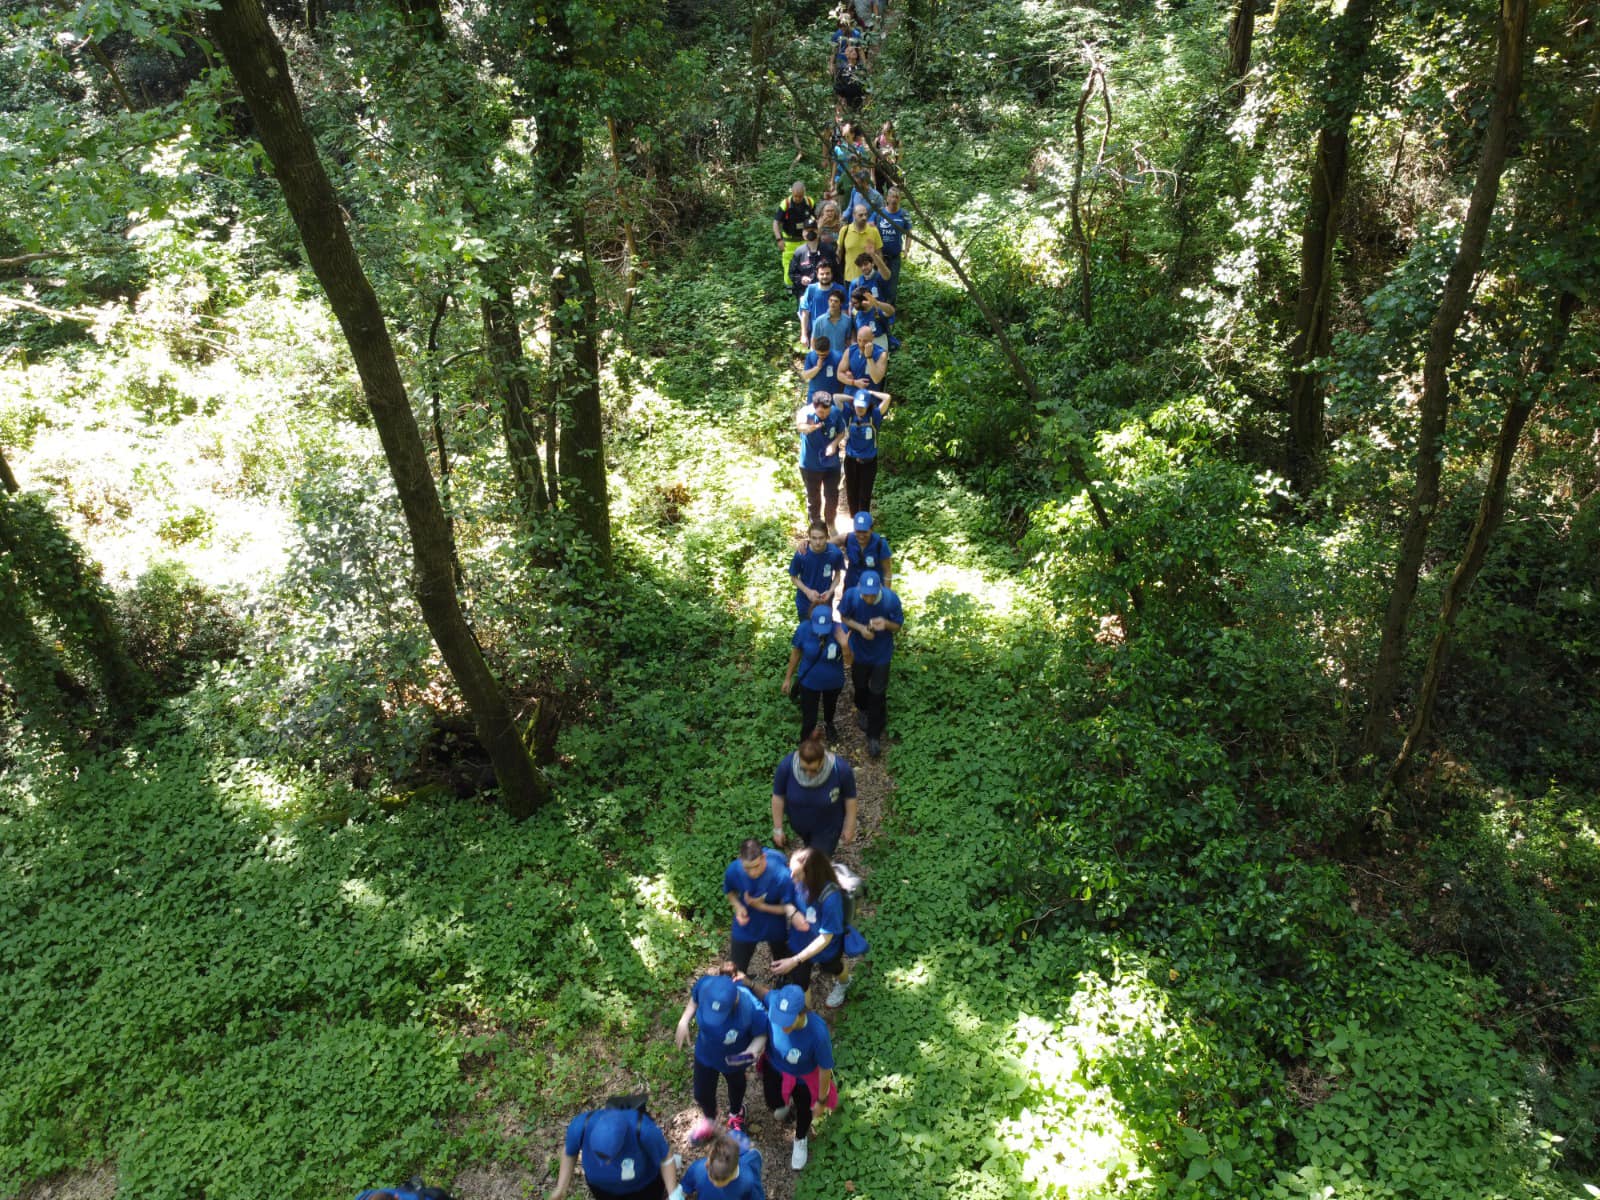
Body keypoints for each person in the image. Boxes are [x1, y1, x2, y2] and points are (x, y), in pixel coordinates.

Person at [675, 973, 770, 1146]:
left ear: (734, 1002)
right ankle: (710, 1119)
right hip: (705, 1053)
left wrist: (750, 1052)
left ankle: (736, 1114)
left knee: (736, 1086)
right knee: (701, 1094)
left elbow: (762, 1033)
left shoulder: (750, 1008)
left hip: (734, 1060)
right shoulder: (706, 985)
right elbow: (694, 1000)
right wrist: (684, 1020)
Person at [758, 983, 837, 1172]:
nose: (781, 1024)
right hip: (775, 1066)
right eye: (779, 1018)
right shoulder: (776, 1002)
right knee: (773, 1102)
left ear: (802, 1014)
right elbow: (765, 994)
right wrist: (749, 983)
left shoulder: (817, 1033)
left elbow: (825, 1069)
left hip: (803, 1078)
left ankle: (800, 1138)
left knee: (804, 1110)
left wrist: (821, 1099)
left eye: (787, 1021)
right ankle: (783, 1104)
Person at [772, 846, 854, 1006]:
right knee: (800, 982)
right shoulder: (797, 882)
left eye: (796, 874)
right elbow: (788, 900)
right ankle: (806, 1019)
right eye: (791, 871)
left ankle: (845, 982)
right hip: (799, 942)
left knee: (833, 967)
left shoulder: (831, 899)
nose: (791, 877)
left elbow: (826, 937)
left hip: (826, 948)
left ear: (811, 874)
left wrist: (795, 960)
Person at [551, 1102, 678, 1200]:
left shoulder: (644, 1130)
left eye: (608, 1158)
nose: (603, 1164)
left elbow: (665, 1157)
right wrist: (561, 1187)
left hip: (643, 1188)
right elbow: (569, 1152)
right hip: (601, 1189)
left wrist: (673, 1194)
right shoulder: (580, 1126)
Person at [839, 569, 903, 759]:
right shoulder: (852, 595)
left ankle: (874, 736)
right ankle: (862, 709)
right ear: (859, 588)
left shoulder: (890, 600)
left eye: (872, 594)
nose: (868, 598)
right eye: (865, 594)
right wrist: (860, 628)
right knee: (860, 686)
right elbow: (843, 617)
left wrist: (885, 624)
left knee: (877, 692)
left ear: (879, 589)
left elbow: (898, 625)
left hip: (881, 653)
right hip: (859, 651)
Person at [771, 725, 858, 856]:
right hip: (801, 825)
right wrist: (778, 828)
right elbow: (778, 796)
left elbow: (850, 797)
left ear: (823, 760)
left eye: (813, 770)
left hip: (828, 828)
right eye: (803, 769)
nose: (808, 774)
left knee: (816, 864)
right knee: (810, 850)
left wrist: (850, 825)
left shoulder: (840, 770)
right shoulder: (787, 766)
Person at [724, 838, 794, 975]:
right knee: (737, 966)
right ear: (740, 860)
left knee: (781, 959)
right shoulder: (734, 870)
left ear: (763, 857)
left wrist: (762, 907)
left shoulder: (781, 875)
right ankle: (742, 987)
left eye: (756, 866)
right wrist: (738, 907)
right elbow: (729, 892)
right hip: (747, 919)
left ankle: (783, 981)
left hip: (774, 919)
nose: (752, 873)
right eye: (747, 868)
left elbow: (790, 908)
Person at [783, 605, 852, 741]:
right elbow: (796, 654)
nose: (821, 632)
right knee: (809, 717)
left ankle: (829, 724)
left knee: (830, 706)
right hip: (809, 682)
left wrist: (844, 645)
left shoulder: (841, 630)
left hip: (833, 682)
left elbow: (849, 662)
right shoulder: (803, 629)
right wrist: (787, 678)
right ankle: (805, 742)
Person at [795, 386, 848, 527]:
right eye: (820, 412)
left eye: (826, 411)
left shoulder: (835, 413)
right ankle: (816, 527)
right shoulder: (806, 412)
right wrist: (809, 428)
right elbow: (799, 425)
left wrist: (834, 444)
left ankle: (830, 524)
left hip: (831, 464)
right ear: (814, 406)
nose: (824, 414)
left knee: (832, 496)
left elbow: (841, 432)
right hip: (810, 464)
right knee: (814, 498)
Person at [673, 1134, 766, 1200]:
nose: (712, 1182)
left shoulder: (748, 1181)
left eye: (718, 1181)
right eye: (710, 1176)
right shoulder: (698, 1169)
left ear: (732, 1173)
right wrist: (678, 1195)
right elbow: (685, 1186)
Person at [788, 518, 845, 621]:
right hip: (805, 602)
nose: (817, 542)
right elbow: (793, 577)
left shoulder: (835, 553)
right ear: (809, 538)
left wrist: (830, 591)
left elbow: (837, 575)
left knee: (824, 627)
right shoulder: (801, 554)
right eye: (814, 538)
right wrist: (807, 591)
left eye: (821, 538)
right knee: (807, 629)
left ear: (827, 537)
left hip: (825, 600)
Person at [787, 221, 836, 318]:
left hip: (827, 295)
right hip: (805, 295)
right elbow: (792, 273)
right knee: (807, 327)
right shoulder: (799, 252)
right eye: (807, 230)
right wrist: (801, 279)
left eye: (813, 230)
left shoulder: (828, 249)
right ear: (803, 233)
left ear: (818, 231)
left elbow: (836, 272)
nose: (810, 233)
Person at [802, 262, 850, 360]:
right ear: (817, 274)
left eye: (827, 273)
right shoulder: (811, 289)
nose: (825, 276)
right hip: (818, 334)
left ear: (832, 274)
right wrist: (803, 334)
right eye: (822, 274)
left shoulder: (840, 289)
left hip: (837, 334)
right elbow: (805, 313)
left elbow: (845, 312)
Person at [872, 186, 912, 304]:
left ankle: (890, 312)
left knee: (892, 286)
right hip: (880, 257)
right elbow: (870, 229)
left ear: (900, 199)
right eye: (892, 196)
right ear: (887, 198)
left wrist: (906, 250)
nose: (894, 199)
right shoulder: (879, 213)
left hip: (894, 257)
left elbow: (909, 234)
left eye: (897, 197)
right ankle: (877, 310)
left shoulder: (904, 214)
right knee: (877, 283)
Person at [771, 182, 815, 288]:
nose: (798, 199)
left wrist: (812, 231)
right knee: (788, 265)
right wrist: (779, 239)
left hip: (805, 240)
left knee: (807, 264)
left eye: (800, 196)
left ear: (804, 193)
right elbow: (775, 223)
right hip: (789, 242)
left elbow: (815, 217)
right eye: (795, 196)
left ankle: (807, 285)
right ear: (792, 193)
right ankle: (790, 288)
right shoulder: (785, 204)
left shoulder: (810, 202)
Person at [842, 508, 891, 592]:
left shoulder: (881, 544)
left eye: (864, 531)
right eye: (858, 531)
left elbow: (887, 571)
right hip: (851, 587)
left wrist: (886, 593)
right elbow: (826, 544)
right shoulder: (848, 538)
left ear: (871, 529)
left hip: (872, 589)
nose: (861, 535)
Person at [839, 203, 886, 285]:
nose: (864, 217)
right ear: (854, 215)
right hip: (850, 278)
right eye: (860, 215)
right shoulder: (844, 230)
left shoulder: (873, 230)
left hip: (869, 278)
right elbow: (839, 252)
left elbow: (879, 253)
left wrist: (879, 272)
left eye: (866, 215)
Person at [838, 322, 887, 390]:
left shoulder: (881, 354)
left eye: (865, 341)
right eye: (859, 340)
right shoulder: (850, 350)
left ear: (872, 338)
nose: (861, 344)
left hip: (870, 395)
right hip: (851, 393)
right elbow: (839, 374)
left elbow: (876, 379)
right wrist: (854, 382)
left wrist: (869, 357)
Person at [796, 334, 842, 403]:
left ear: (829, 349)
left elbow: (842, 377)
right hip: (814, 396)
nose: (821, 356)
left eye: (823, 355)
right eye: (818, 354)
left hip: (832, 396)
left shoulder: (838, 356)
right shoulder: (811, 356)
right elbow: (805, 375)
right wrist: (817, 368)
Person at [849, 282, 893, 350]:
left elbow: (891, 311)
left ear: (863, 302)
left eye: (855, 303)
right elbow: (853, 329)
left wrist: (877, 303)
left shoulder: (877, 309)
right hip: (862, 345)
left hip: (879, 343)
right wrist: (854, 342)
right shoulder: (855, 312)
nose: (853, 305)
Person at [873, 121, 900, 193]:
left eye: (887, 133)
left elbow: (898, 160)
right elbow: (873, 160)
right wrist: (872, 176)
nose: (885, 135)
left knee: (891, 191)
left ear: (891, 132)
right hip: (879, 169)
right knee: (879, 191)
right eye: (883, 133)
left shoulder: (896, 142)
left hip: (891, 169)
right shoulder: (877, 141)